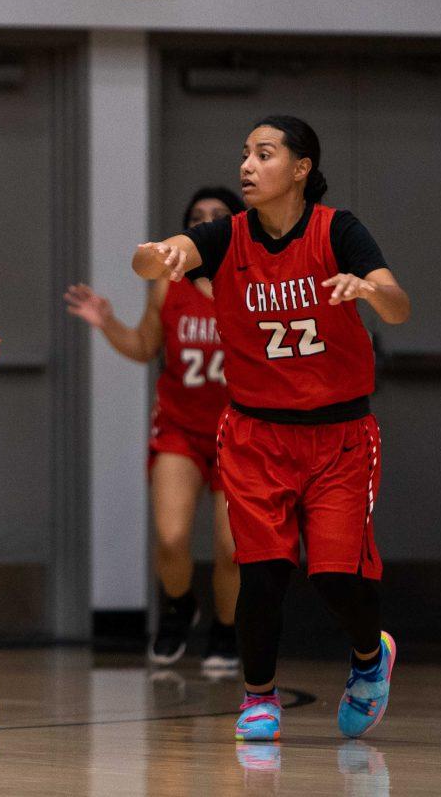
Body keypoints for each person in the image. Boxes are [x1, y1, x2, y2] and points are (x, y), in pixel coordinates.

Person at [131, 116, 410, 742]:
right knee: (261, 571)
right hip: (257, 434)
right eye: (244, 155)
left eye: (264, 154)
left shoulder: (339, 230)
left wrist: (368, 289)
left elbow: (399, 303)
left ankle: (371, 658)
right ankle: (258, 698)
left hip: (339, 437)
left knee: (336, 575)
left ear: (301, 168)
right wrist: (157, 255)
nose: (247, 166)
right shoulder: (226, 237)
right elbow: (148, 262)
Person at [66, 187, 243, 672]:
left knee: (232, 550)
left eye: (218, 217)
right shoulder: (169, 284)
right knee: (170, 537)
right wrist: (106, 322)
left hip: (241, 434)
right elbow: (145, 345)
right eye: (196, 217)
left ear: (234, 227)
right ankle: (179, 606)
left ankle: (226, 630)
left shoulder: (253, 285)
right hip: (180, 429)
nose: (206, 223)